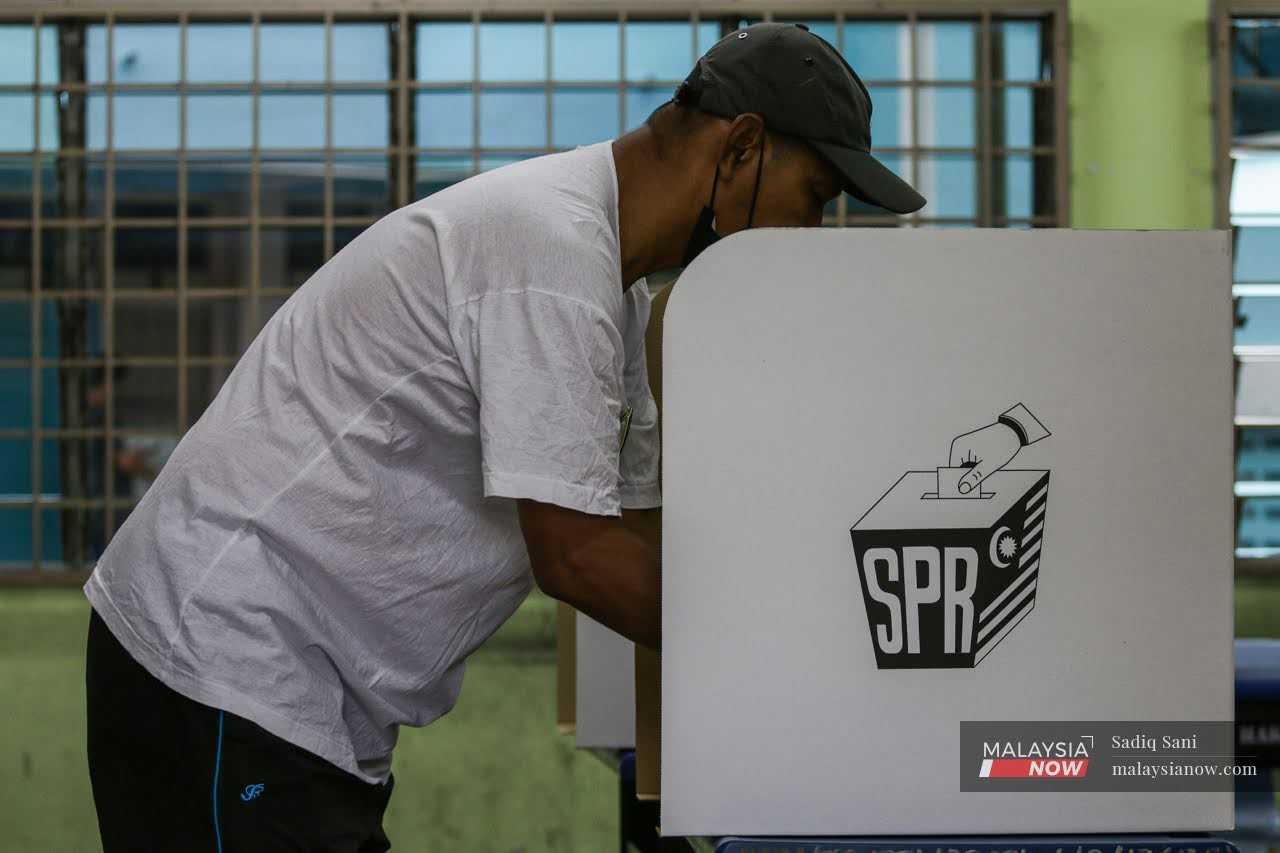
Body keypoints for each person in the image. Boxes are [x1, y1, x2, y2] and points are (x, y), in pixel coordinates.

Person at [83, 22, 925, 851]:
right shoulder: (550, 254)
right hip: (221, 661)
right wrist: (811, 649)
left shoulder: (617, 297)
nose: (809, 233)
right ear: (742, 147)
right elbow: (577, 554)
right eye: (814, 197)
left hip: (294, 691)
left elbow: (639, 533)